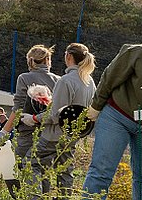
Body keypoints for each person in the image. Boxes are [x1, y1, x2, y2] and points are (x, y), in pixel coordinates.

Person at [83, 43, 142, 200]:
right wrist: (96, 107)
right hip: (117, 117)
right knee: (101, 172)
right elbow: (110, 77)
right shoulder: (138, 53)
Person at [0, 44, 59, 197]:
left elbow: (18, 108)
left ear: (30, 61)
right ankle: (41, 195)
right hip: (49, 134)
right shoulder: (58, 80)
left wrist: (4, 131)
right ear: (48, 60)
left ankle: (20, 196)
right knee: (41, 169)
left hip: (27, 133)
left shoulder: (24, 78)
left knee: (9, 166)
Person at [26, 42, 96, 198]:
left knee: (31, 164)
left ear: (69, 56)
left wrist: (33, 118)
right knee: (64, 172)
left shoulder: (65, 81)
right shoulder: (89, 81)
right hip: (72, 136)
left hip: (53, 135)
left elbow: (55, 114)